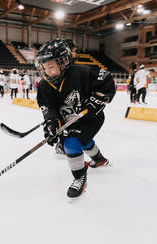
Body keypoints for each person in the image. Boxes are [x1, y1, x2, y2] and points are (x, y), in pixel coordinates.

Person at [35, 38, 116, 198]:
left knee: (71, 143)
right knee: (81, 140)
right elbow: (48, 108)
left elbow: (106, 79)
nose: (47, 71)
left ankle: (80, 178)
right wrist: (51, 124)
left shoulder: (81, 73)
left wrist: (97, 100)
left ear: (63, 61)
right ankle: (99, 159)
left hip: (90, 117)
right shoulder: (44, 85)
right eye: (44, 67)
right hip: (69, 120)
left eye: (51, 66)